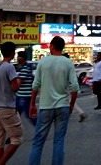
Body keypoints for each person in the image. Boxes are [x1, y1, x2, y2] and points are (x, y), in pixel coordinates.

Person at [29, 36, 79, 165]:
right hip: (62, 106)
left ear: (51, 46)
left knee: (38, 141)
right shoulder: (68, 63)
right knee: (59, 140)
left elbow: (35, 86)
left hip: (45, 106)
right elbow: (74, 88)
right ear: (62, 48)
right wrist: (71, 105)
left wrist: (32, 104)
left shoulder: (43, 62)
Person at [0, 41, 22, 165]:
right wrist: (19, 82)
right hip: (7, 107)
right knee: (16, 138)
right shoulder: (9, 67)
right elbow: (14, 87)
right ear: (13, 53)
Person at [16, 51, 36, 125]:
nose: (17, 58)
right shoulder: (25, 68)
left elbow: (18, 83)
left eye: (18, 57)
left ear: (22, 58)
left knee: (28, 115)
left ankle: (40, 131)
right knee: (17, 115)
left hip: (23, 96)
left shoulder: (25, 69)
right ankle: (13, 133)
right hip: (23, 95)